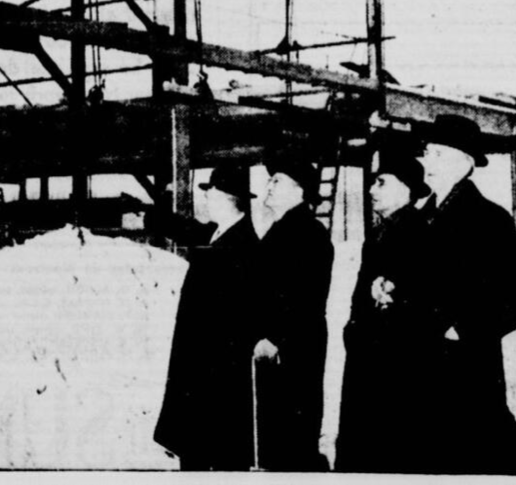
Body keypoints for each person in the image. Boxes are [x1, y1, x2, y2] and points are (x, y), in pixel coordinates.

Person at [414, 114, 516, 475]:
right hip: (417, 367)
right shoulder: (417, 219)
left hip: (465, 370)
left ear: (463, 162)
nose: (425, 161)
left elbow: (512, 301)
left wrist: (462, 331)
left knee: (475, 457)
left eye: (436, 153)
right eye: (427, 152)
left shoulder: (490, 220)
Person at [153, 163, 263, 471]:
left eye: (209, 193)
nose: (205, 200)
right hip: (201, 373)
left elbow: (232, 322)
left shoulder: (242, 246)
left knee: (219, 457)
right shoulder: (219, 234)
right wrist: (156, 207)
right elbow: (184, 228)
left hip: (216, 377)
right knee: (198, 453)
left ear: (223, 196)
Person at [335, 152, 435, 473]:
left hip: (395, 367)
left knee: (390, 449)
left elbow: (421, 301)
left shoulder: (419, 233)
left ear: (405, 189)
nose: (371, 190)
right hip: (369, 358)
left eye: (381, 183)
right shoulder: (379, 235)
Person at [251, 156, 334, 472]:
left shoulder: (307, 233)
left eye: (277, 181)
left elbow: (306, 297)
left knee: (291, 437)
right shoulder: (284, 229)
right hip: (280, 350)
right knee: (278, 435)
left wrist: (275, 337)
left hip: (291, 350)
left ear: (300, 191)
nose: (268, 187)